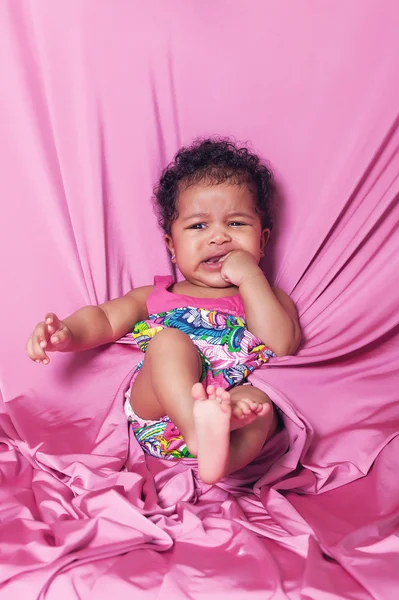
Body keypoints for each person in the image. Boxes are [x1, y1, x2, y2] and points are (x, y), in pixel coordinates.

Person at [26, 138, 301, 484]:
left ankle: (220, 459)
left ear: (261, 241)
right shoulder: (156, 295)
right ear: (172, 246)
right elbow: (103, 318)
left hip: (229, 413)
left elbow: (281, 344)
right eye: (199, 226)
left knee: (261, 406)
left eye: (236, 224)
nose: (219, 238)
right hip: (158, 412)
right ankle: (196, 429)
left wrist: (250, 277)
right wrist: (65, 332)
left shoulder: (267, 297)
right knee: (169, 342)